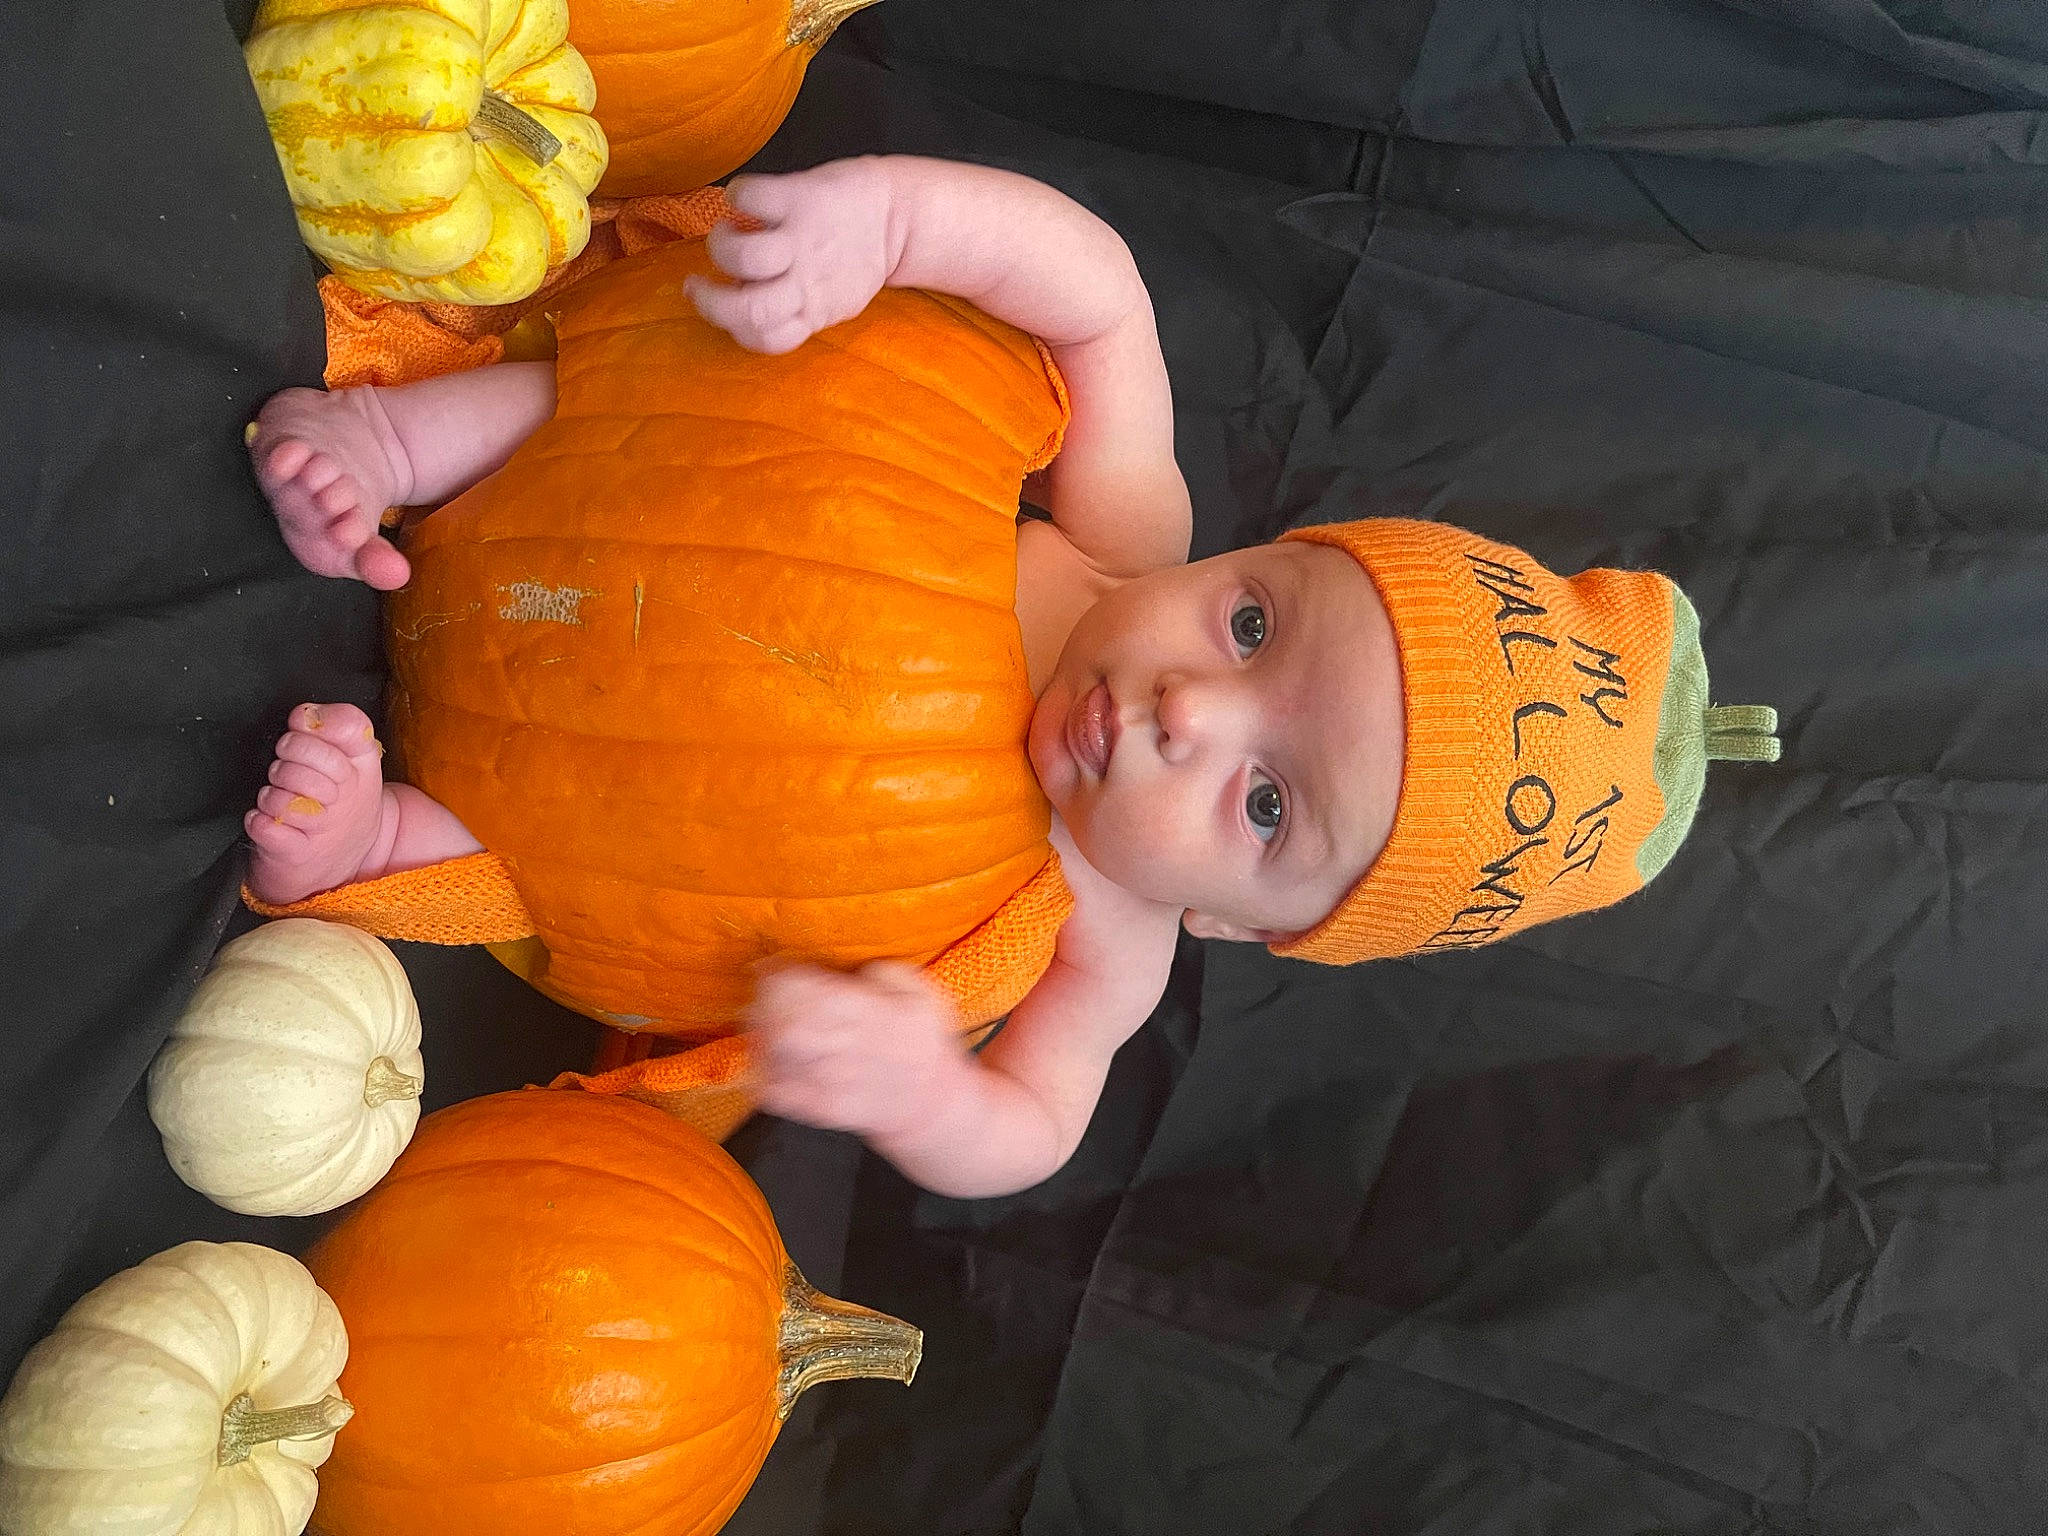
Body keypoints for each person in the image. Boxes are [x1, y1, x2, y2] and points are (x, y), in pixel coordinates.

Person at [243, 155, 1776, 1200]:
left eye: (1261, 801)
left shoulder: (1114, 944)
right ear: (1275, 550)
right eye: (1253, 628)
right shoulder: (1126, 530)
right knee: (607, 402)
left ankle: (373, 842)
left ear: (1248, 923)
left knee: (533, 883)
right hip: (627, 493)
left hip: (579, 814)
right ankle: (386, 445)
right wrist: (887, 230)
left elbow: (1035, 1129)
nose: (1192, 709)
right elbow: (1096, 287)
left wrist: (927, 1096)